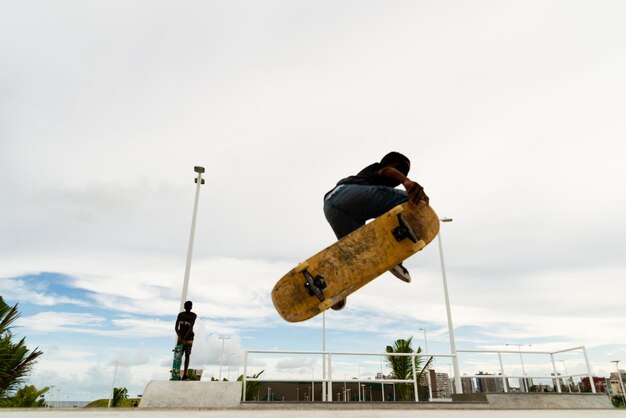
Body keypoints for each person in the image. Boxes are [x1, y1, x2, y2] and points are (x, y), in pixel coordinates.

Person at [323, 151, 429, 309]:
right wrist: (406, 181)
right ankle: (394, 255)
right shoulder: (379, 169)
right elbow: (386, 171)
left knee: (360, 254)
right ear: (388, 164)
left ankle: (333, 288)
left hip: (331, 205)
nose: (402, 176)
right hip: (349, 192)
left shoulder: (375, 188)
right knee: (414, 201)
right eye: (401, 169)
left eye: (406, 173)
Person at [175, 301, 197, 380]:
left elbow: (190, 328)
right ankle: (176, 373)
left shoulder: (193, 315)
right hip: (180, 338)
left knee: (187, 355)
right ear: (184, 306)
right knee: (178, 356)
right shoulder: (180, 315)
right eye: (186, 305)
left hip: (189, 338)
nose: (187, 307)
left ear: (191, 307)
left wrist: (183, 339)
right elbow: (176, 327)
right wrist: (179, 336)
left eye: (189, 306)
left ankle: (185, 374)